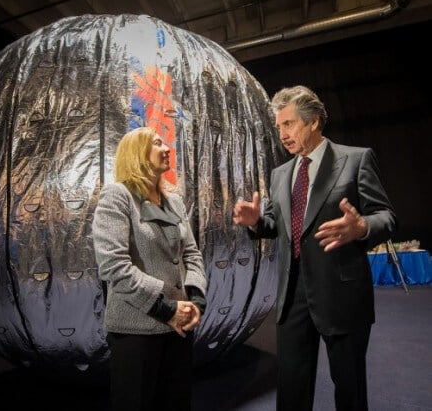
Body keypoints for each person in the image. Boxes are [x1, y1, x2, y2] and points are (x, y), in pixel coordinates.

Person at [233, 85, 396, 411]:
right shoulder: (280, 174)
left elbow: (387, 217)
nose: (282, 134)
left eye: (289, 124)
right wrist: (255, 221)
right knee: (291, 390)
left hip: (342, 294)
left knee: (349, 390)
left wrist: (362, 227)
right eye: (279, 126)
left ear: (314, 121)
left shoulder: (355, 159)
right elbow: (276, 224)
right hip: (292, 297)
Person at [92, 126, 207, 411]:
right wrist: (165, 309)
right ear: (136, 153)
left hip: (178, 327)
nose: (167, 148)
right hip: (136, 331)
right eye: (157, 143)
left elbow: (190, 253)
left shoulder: (174, 201)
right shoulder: (117, 196)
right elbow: (114, 266)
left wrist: (195, 300)